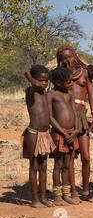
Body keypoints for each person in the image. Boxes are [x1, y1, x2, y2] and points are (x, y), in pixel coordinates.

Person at [56, 45, 93, 202]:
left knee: (86, 157)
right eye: (64, 58)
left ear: (74, 55)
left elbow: (92, 98)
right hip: (67, 117)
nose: (67, 60)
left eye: (69, 57)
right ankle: (73, 192)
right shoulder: (61, 76)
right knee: (71, 156)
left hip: (82, 117)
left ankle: (85, 191)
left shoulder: (84, 72)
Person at [22, 66, 56, 208]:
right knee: (34, 166)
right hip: (33, 133)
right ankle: (35, 200)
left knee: (43, 166)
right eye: (41, 80)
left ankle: (43, 197)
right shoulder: (30, 92)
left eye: (46, 81)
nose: (44, 83)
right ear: (34, 80)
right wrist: (29, 76)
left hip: (45, 134)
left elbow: (50, 116)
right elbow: (35, 85)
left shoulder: (46, 95)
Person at [47, 67, 80, 206]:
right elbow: (50, 117)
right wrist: (62, 132)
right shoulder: (51, 94)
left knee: (68, 164)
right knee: (58, 164)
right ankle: (57, 195)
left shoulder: (70, 95)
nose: (72, 83)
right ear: (58, 82)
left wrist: (76, 130)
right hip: (59, 134)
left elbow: (75, 113)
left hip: (71, 133)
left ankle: (66, 193)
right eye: (69, 82)